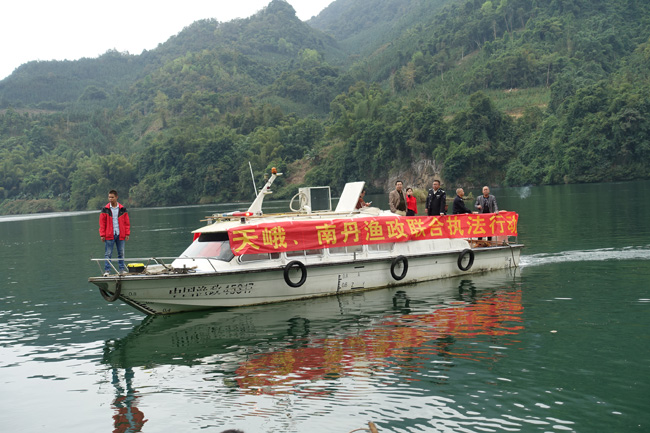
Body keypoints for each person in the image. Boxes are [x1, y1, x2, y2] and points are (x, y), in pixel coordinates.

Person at [99, 190, 130, 276]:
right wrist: (102, 235)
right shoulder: (105, 209)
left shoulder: (122, 209)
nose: (110, 199)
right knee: (108, 254)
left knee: (121, 253)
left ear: (116, 197)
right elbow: (102, 223)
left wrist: (127, 233)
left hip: (120, 233)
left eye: (112, 197)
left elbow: (126, 222)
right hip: (109, 234)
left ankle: (122, 270)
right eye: (109, 197)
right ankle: (107, 271)